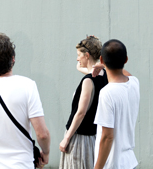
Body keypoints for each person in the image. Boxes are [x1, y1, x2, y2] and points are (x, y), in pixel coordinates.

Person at [0, 33, 50, 169]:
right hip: (21, 165)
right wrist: (45, 153)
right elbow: (42, 134)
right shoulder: (28, 86)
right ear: (13, 59)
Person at [59, 36, 108, 169]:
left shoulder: (88, 81)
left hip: (79, 140)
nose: (77, 59)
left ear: (87, 55)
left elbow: (81, 113)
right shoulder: (103, 75)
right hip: (92, 138)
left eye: (79, 55)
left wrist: (66, 138)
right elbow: (80, 68)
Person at [93, 39, 140, 169]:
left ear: (101, 60)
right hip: (130, 162)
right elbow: (127, 74)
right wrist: (106, 64)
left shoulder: (107, 93)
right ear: (126, 59)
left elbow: (107, 136)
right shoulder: (134, 83)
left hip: (113, 164)